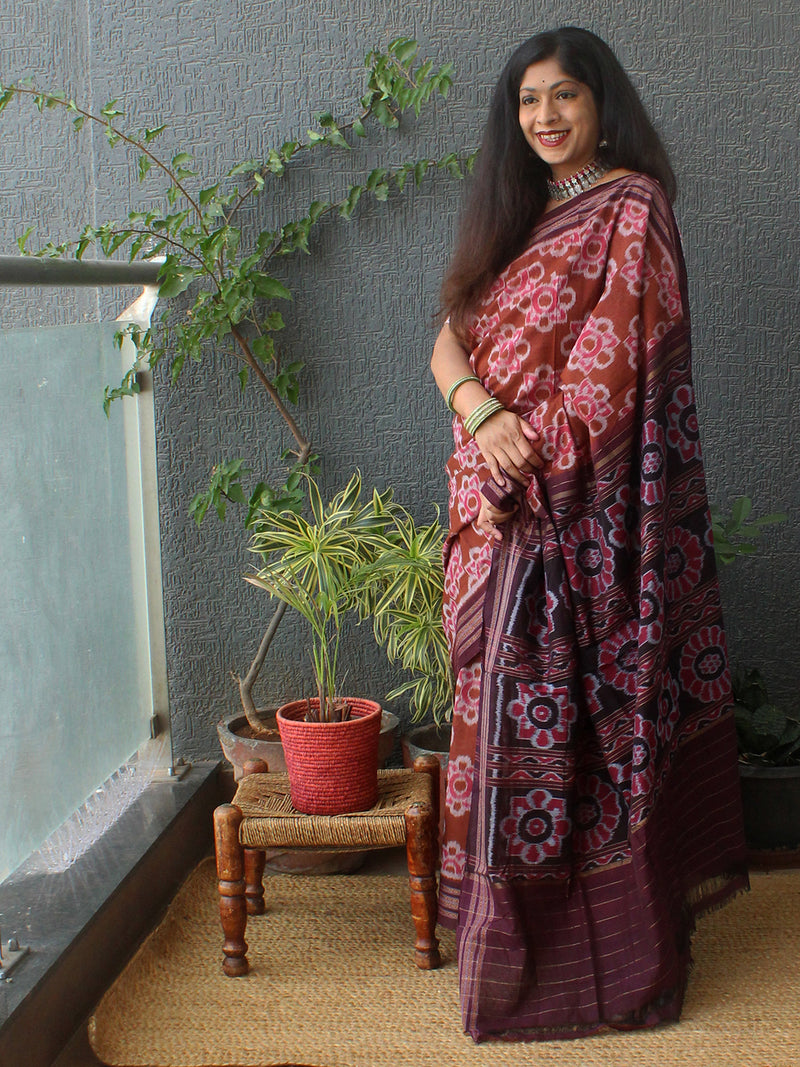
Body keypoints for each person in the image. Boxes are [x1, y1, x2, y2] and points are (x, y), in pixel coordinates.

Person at [430, 26, 749, 1043]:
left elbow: (612, 368)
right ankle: (501, 948)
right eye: (528, 100)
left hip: (571, 511)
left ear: (601, 104)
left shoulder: (631, 208)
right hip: (497, 500)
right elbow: (447, 343)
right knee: (498, 728)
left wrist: (525, 473)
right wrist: (485, 420)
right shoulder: (516, 214)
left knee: (567, 733)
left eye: (564, 94)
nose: (545, 116)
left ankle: (595, 968)